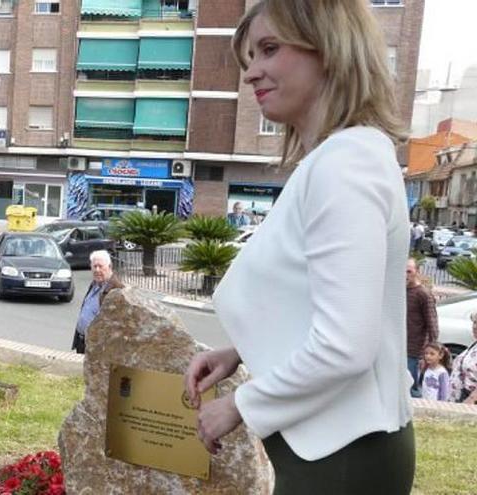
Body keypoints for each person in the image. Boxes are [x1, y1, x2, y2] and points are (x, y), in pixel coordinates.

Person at [185, 1, 415, 493]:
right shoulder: (346, 156)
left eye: (270, 49)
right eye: (249, 58)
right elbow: (319, 302)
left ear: (330, 49)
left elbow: (346, 346)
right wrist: (240, 351)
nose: (252, 74)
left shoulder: (343, 165)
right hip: (338, 448)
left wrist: (240, 405)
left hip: (340, 457)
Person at [71, 250, 123, 354]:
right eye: (94, 266)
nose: (97, 270)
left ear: (109, 267)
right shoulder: (95, 284)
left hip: (98, 347)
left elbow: (117, 324)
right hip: (83, 342)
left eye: (100, 266)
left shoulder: (116, 289)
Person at [406, 258, 438, 397]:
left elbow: (432, 324)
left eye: (409, 271)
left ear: (417, 272)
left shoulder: (423, 294)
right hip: (398, 348)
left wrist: (430, 351)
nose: (405, 275)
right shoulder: (399, 291)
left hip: (414, 351)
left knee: (412, 388)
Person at [449, 312, 477, 404]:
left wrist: (472, 399)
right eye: (474, 322)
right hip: (462, 396)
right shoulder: (474, 344)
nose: (475, 327)